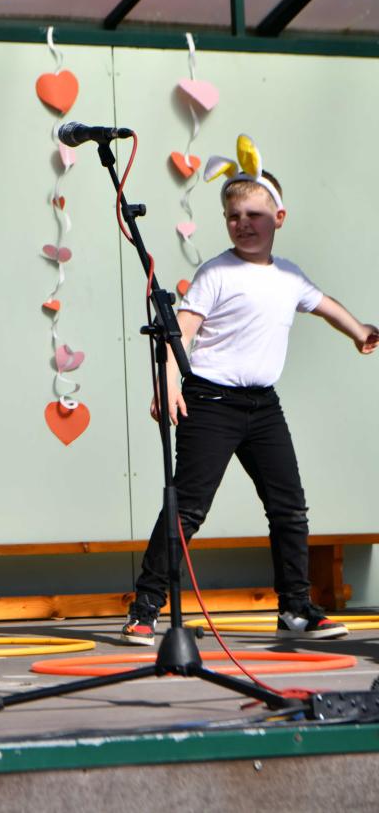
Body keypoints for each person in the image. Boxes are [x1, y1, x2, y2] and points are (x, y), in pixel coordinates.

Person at [121, 136, 378, 646]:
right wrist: (167, 383)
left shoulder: (289, 276)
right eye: (233, 216)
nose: (244, 223)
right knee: (187, 509)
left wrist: (359, 331)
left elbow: (324, 304)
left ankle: (295, 607)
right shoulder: (217, 272)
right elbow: (181, 333)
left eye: (255, 215)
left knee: (289, 508)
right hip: (210, 402)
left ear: (278, 218)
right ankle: (145, 607)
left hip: (263, 406)